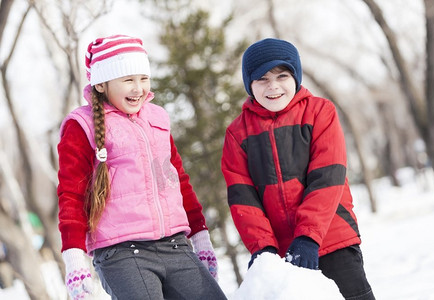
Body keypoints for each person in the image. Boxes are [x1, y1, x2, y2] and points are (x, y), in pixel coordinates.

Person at [57, 34, 227, 300]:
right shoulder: (81, 125)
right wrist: (75, 259)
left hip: (175, 246)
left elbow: (178, 179)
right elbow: (71, 194)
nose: (138, 88)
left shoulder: (157, 118)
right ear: (101, 84)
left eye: (143, 78)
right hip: (122, 253)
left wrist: (200, 236)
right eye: (128, 80)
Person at [221, 38, 375, 300]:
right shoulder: (238, 133)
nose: (273, 86)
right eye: (261, 78)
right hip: (282, 255)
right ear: (250, 84)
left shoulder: (319, 112)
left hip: (332, 238)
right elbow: (243, 198)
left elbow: (327, 178)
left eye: (282, 75)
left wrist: (309, 237)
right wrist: (263, 249)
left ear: (296, 76)